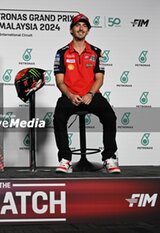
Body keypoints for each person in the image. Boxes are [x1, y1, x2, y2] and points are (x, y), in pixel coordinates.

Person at [53, 13, 120, 173]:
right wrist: (70, 95)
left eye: (84, 26)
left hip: (91, 95)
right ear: (71, 29)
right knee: (58, 117)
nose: (81, 28)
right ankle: (65, 159)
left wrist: (90, 94)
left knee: (110, 116)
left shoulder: (97, 52)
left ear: (88, 31)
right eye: (77, 25)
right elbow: (60, 81)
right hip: (70, 96)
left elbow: (100, 79)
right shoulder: (61, 53)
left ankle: (109, 158)